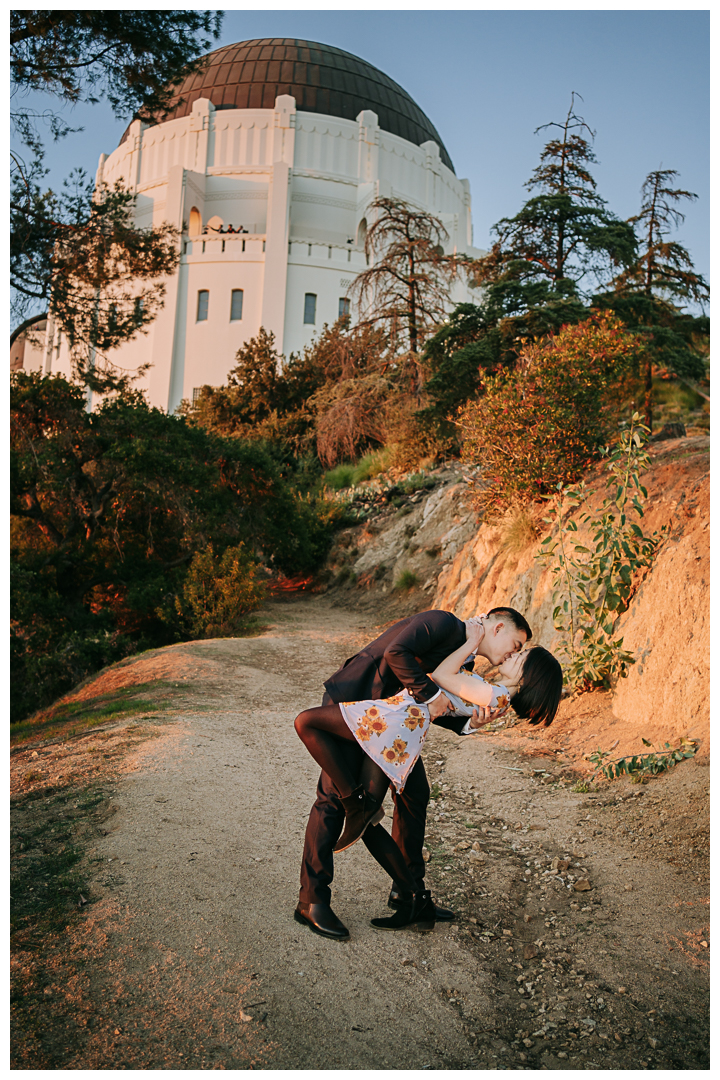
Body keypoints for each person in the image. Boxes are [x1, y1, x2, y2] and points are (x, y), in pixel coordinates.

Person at [295, 621, 562, 931]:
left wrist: (469, 716)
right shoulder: (446, 626)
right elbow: (401, 657)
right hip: (368, 700)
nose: (511, 655)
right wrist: (464, 710)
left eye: (520, 654)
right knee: (351, 804)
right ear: (498, 627)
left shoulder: (487, 683)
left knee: (379, 801)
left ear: (529, 677)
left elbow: (441, 690)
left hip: (393, 724)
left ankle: (407, 894)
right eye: (516, 646)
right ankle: (327, 898)